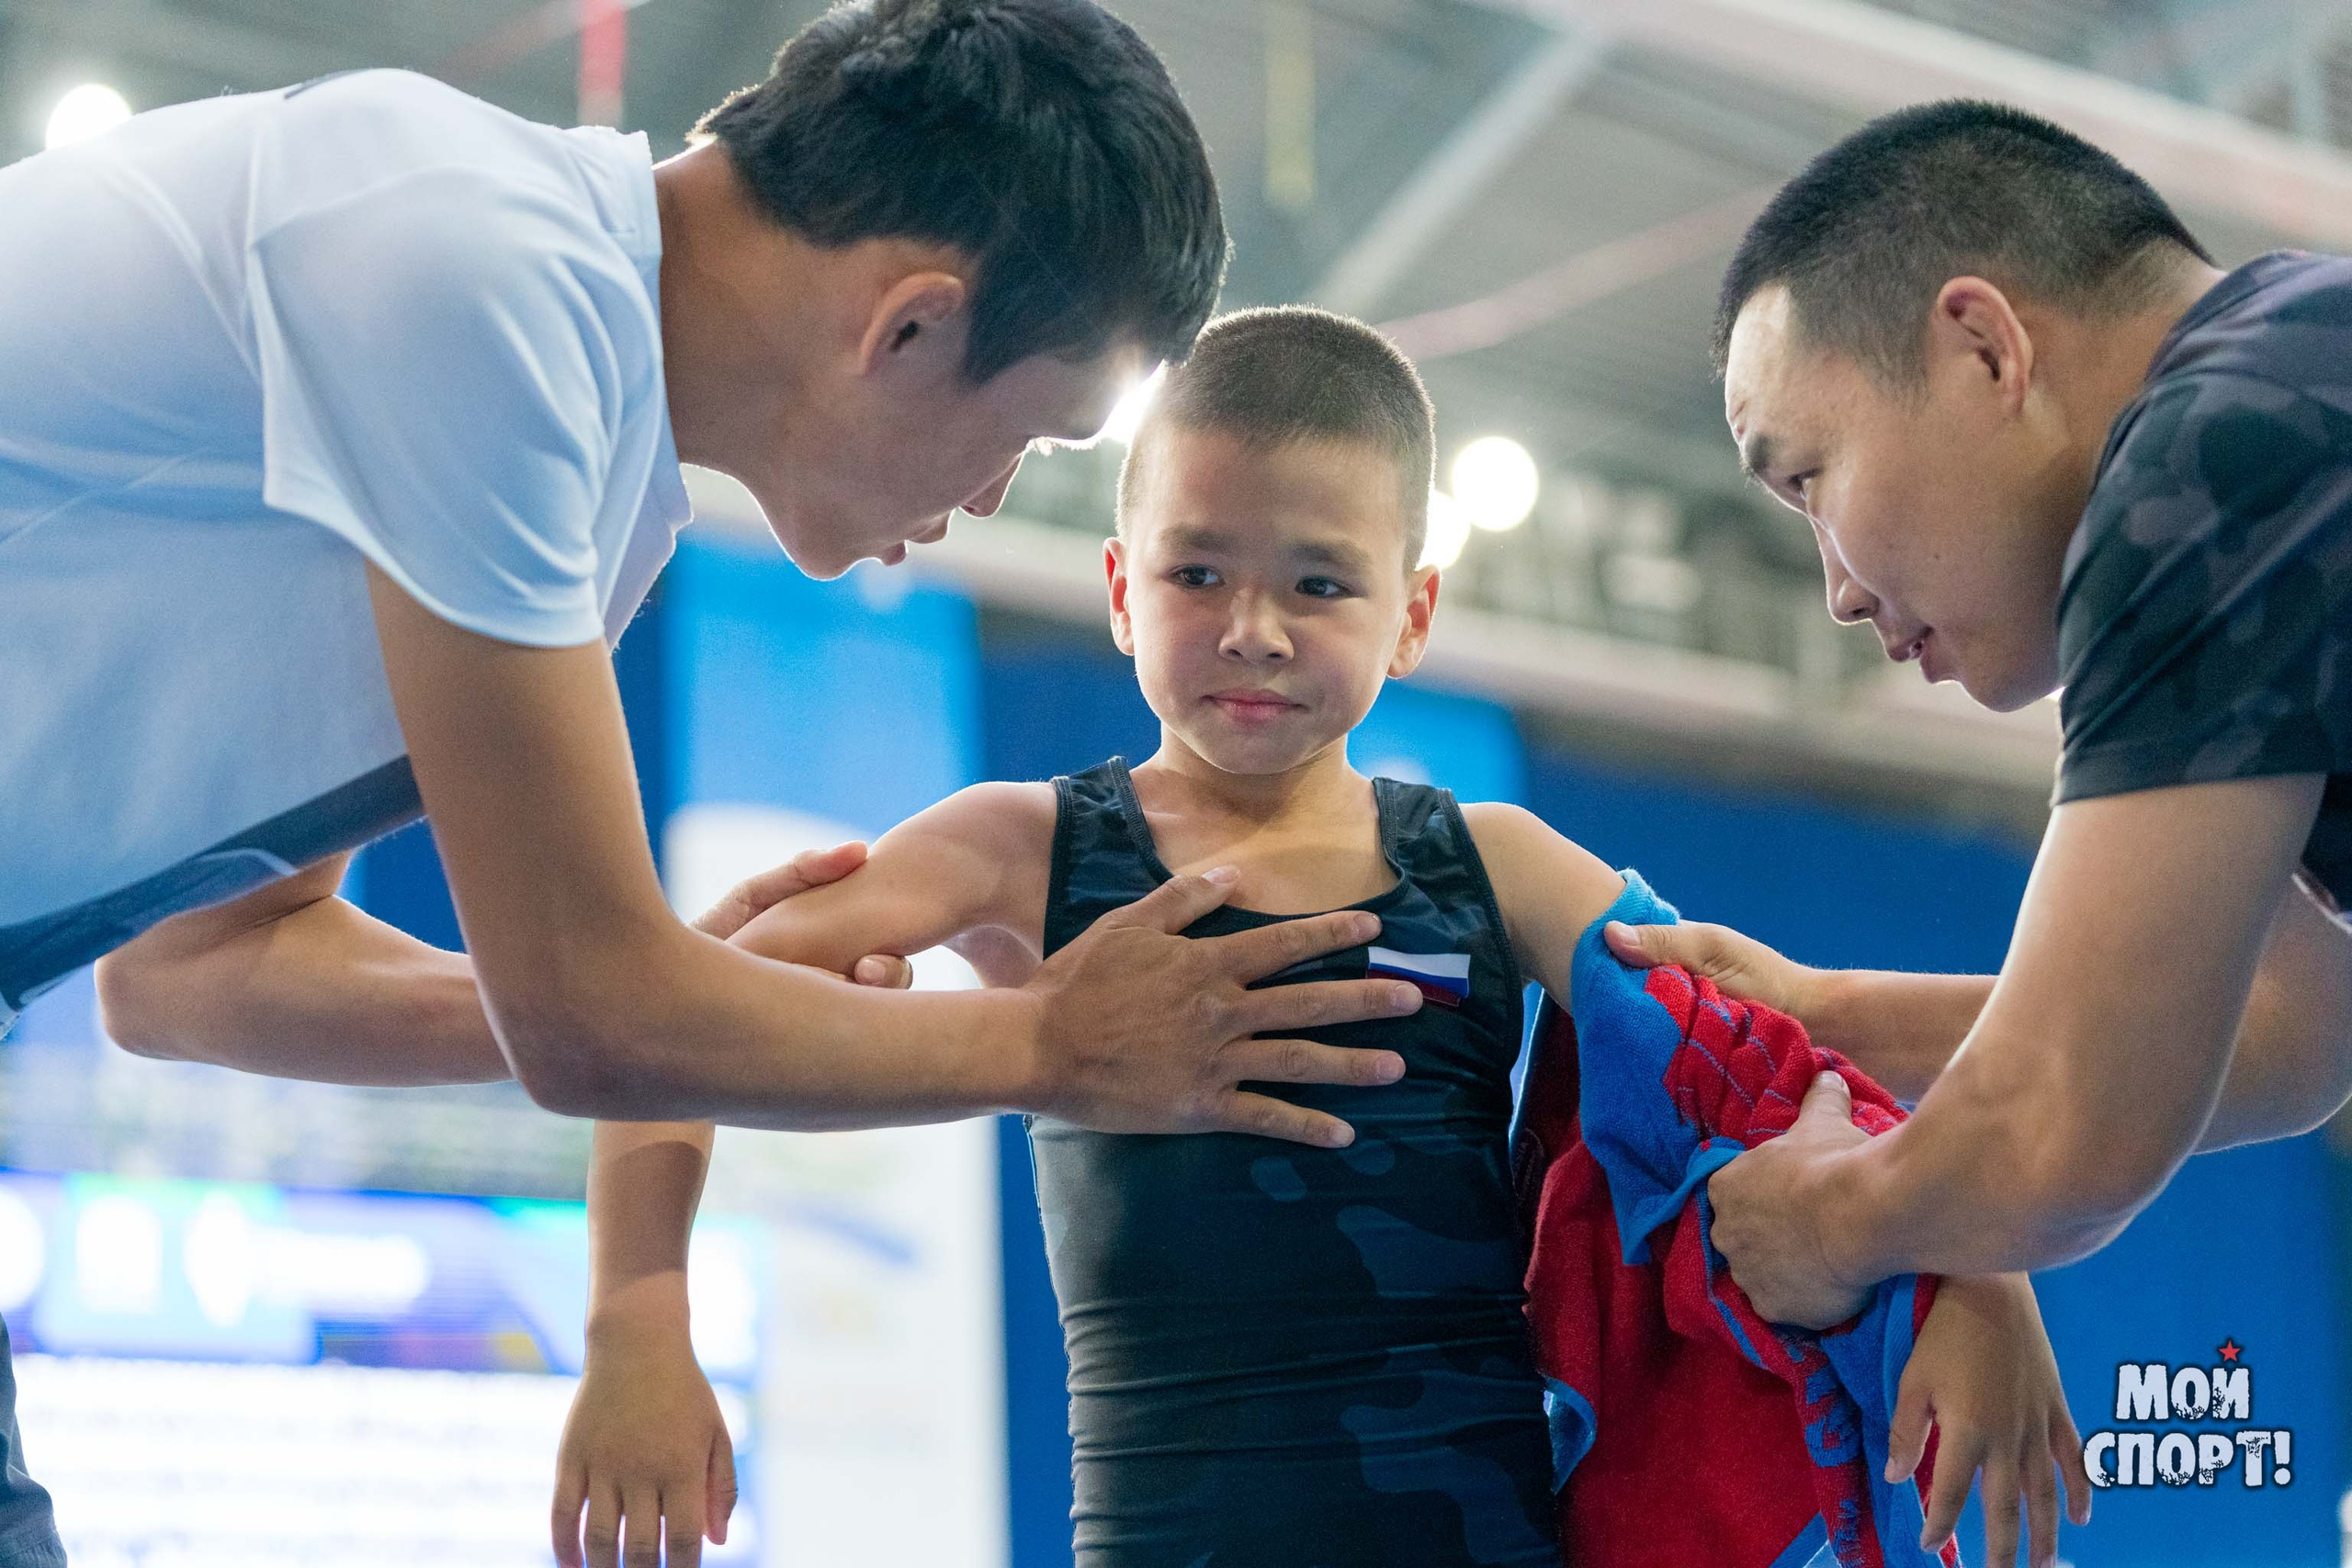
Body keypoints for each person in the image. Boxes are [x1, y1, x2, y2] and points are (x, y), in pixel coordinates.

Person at [0, 6, 1420, 1562]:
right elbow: (591, 1019)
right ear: (913, 329)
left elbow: (191, 976)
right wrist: (1047, 1042)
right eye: (1029, 435)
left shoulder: (602, 502)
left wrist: (690, 991)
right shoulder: (473, 261)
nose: (988, 496)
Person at [551, 307, 2083, 1568]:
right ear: (1118, 588)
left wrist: (1978, 1274)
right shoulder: (1021, 851)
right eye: (1197, 572)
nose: (1254, 629)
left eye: (1319, 584)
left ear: (1411, 614)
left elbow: (1780, 1065)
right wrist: (636, 1322)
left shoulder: (1496, 868)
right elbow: (674, 1016)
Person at [1610, 99, 2352, 1332]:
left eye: (1809, 479)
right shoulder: (2290, 383)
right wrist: (1822, 1016)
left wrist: (1830, 1223)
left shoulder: (2212, 459)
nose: (1839, 593)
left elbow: (2066, 1118)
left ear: (1984, 350)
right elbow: (2291, 1030)